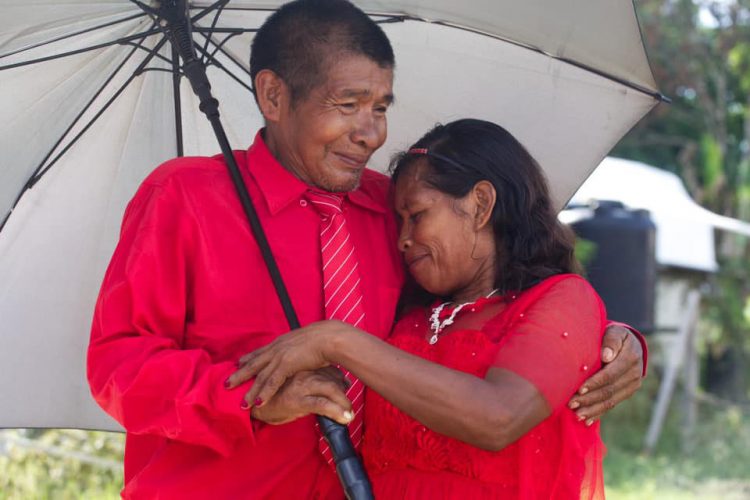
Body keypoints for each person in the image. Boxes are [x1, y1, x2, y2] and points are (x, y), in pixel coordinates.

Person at [87, 1, 645, 498]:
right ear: (274, 95)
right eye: (349, 103)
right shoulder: (183, 197)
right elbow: (119, 367)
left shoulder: (392, 208)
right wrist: (251, 400)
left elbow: (473, 305)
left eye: (380, 107)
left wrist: (607, 339)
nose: (371, 133)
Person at [230, 119, 609, 499]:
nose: (403, 240)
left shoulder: (562, 298)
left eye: (417, 216)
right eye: (399, 222)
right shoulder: (409, 316)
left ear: (480, 204)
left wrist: (338, 341)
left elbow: (499, 417)